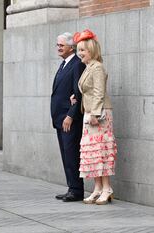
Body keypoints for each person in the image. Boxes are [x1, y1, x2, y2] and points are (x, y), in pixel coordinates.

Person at [73, 29, 117, 205]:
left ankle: (107, 188)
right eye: (78, 50)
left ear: (91, 50)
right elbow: (89, 91)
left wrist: (95, 114)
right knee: (92, 153)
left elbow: (99, 92)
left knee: (101, 151)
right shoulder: (88, 67)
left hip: (99, 114)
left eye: (83, 50)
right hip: (90, 113)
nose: (80, 53)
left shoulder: (97, 67)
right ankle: (98, 188)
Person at [50, 32, 86, 202]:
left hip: (69, 119)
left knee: (72, 154)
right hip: (59, 119)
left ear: (71, 47)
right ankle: (71, 187)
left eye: (61, 45)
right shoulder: (64, 64)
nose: (58, 48)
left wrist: (70, 115)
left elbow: (78, 93)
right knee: (66, 154)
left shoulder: (77, 65)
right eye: (57, 45)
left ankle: (77, 190)